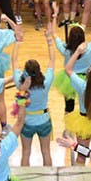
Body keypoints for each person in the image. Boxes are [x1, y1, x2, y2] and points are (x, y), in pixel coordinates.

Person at [13, 36, 56, 166]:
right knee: (46, 152)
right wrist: (49, 41)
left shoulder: (20, 83)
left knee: (26, 152)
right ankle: (49, 178)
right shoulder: (46, 82)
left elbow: (14, 60)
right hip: (44, 120)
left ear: (25, 71)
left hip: (26, 121)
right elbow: (52, 59)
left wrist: (17, 41)